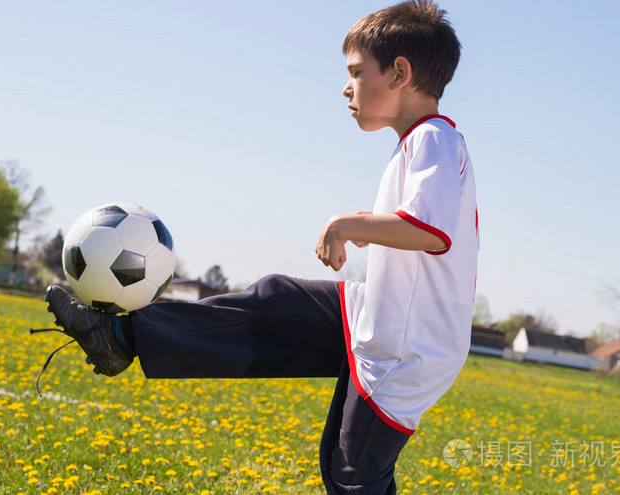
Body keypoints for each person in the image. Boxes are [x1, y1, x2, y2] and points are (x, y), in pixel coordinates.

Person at [35, 1, 479, 493]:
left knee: (353, 474)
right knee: (278, 302)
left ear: (399, 72)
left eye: (356, 72)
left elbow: (431, 230)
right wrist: (363, 227)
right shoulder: (421, 143)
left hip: (409, 345)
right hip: (379, 311)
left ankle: (129, 339)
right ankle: (123, 339)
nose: (346, 87)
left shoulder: (434, 139)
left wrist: (347, 223)